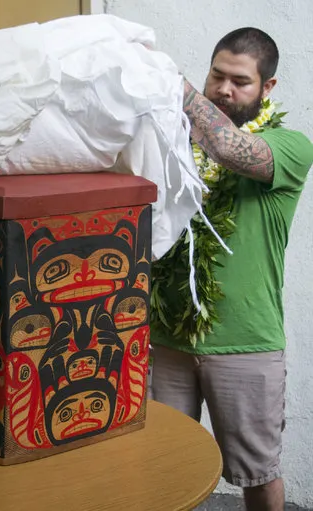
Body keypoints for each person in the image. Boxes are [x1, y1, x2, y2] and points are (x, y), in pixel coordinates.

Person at [151, 28, 313, 511]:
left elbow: (229, 148)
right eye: (216, 75)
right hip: (166, 334)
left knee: (257, 473)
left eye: (240, 81)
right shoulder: (179, 142)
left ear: (268, 88)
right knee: (160, 465)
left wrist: (175, 87)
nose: (223, 89)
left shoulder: (290, 145)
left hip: (246, 341)